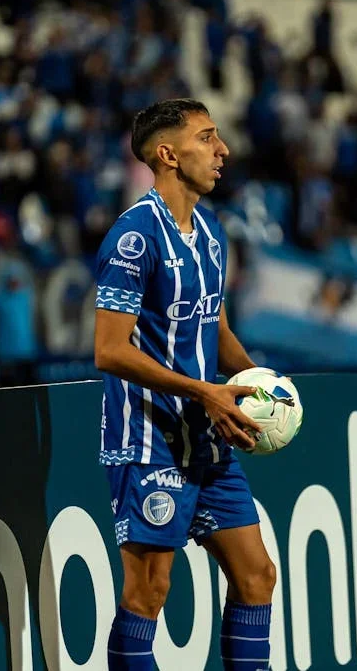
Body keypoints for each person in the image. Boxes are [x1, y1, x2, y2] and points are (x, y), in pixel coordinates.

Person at [93, 98, 278, 670]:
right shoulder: (133, 238)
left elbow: (212, 325)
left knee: (257, 576)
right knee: (148, 592)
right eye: (207, 138)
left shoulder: (211, 232)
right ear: (169, 155)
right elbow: (109, 350)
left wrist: (258, 383)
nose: (223, 150)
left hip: (208, 436)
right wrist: (203, 391)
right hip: (150, 441)